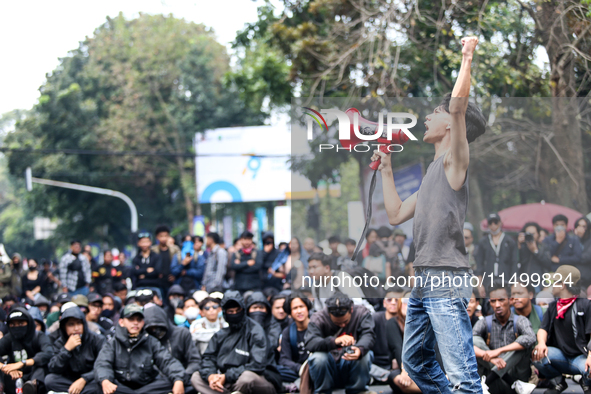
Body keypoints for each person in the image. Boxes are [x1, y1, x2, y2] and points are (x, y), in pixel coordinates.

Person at [372, 36, 486, 393]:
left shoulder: (455, 163)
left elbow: (456, 107)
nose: (426, 116)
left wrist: (466, 56)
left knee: (463, 375)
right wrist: (386, 167)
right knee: (417, 365)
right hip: (423, 280)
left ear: (452, 124)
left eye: (434, 112)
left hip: (445, 277)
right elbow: (394, 214)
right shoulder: (432, 177)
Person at [191, 290, 277, 394]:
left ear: (243, 310)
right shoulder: (220, 334)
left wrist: (227, 376)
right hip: (227, 382)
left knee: (247, 378)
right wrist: (211, 376)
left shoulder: (255, 331)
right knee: (196, 377)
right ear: (224, 313)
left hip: (258, 379)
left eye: (237, 310)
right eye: (230, 312)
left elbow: (257, 365)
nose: (235, 314)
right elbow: (208, 358)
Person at [94, 303, 186, 394]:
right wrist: (105, 381)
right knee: (100, 386)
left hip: (147, 387)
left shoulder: (151, 341)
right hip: (121, 387)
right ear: (121, 322)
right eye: (131, 319)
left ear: (143, 322)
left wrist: (178, 379)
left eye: (139, 319)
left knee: (173, 382)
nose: (135, 323)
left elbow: (167, 361)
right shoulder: (112, 343)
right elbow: (103, 363)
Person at [532, 265, 591, 394]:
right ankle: (558, 383)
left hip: (582, 357)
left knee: (590, 368)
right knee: (537, 354)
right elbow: (543, 329)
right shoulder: (554, 306)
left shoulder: (585, 305)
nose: (552, 285)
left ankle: (586, 383)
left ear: (563, 284)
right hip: (561, 356)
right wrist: (541, 343)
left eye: (554, 282)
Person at [305, 292, 376, 394]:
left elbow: (369, 335)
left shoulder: (361, 313)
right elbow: (310, 342)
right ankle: (323, 392)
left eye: (345, 322)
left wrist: (360, 348)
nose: (342, 325)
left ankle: (358, 391)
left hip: (351, 363)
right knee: (318, 358)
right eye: (337, 323)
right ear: (329, 313)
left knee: (365, 355)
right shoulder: (318, 318)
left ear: (351, 310)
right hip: (329, 365)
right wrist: (334, 341)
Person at [472, 284, 536, 394]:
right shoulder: (483, 322)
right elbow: (467, 344)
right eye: (493, 301)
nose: (497, 305)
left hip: (517, 378)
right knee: (474, 340)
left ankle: (490, 383)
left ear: (510, 300)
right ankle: (497, 383)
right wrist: (489, 357)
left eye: (501, 300)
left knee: (523, 343)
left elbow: (531, 337)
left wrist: (499, 351)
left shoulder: (520, 321)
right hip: (493, 384)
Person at [45, 304, 105, 394]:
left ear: (84, 324)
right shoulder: (60, 343)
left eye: (79, 323)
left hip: (90, 380)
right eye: (71, 324)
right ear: (64, 327)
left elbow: (103, 365)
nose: (76, 328)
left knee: (101, 384)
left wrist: (84, 379)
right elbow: (53, 368)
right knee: (50, 380)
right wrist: (66, 349)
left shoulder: (97, 340)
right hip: (70, 381)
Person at [144, 305, 201, 393]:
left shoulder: (182, 334)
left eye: (158, 327)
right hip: (159, 382)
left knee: (196, 381)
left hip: (184, 377)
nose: (155, 331)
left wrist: (181, 378)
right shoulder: (147, 339)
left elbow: (194, 361)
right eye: (151, 328)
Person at [0, 307, 53, 394]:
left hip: (34, 376)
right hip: (14, 376)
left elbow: (48, 353)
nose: (17, 327)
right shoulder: (9, 338)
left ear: (28, 323)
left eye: (21, 323)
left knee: (41, 367)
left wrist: (22, 363)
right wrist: (5, 368)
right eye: (13, 325)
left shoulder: (38, 336)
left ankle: (31, 388)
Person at [475, 213, 518, 297]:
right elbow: (479, 265)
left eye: (496, 222)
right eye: (490, 223)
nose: (493, 225)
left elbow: (514, 264)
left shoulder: (509, 241)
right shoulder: (483, 242)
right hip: (488, 280)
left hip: (506, 279)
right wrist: (479, 285)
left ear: (500, 223)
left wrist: (513, 284)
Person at [278, 292, 312, 385]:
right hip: (298, 370)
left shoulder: (318, 325)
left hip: (317, 367)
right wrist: (300, 368)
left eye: (301, 306)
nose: (299, 311)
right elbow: (284, 359)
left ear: (307, 308)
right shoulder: (288, 332)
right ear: (290, 313)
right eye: (295, 308)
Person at [246, 291, 282, 362]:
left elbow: (272, 344)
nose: (258, 310)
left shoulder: (274, 325)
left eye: (261, 308)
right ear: (248, 310)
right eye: (255, 307)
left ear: (267, 310)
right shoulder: (244, 325)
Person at [152, 225, 181, 296]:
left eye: (166, 236)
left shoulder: (175, 249)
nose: (163, 238)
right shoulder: (153, 250)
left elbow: (179, 264)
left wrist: (175, 276)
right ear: (157, 237)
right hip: (157, 281)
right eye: (161, 236)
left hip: (171, 280)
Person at [574, 216, 591, 286]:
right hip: (573, 278)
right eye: (579, 226)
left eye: (584, 226)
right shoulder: (573, 239)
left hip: (586, 279)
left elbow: (587, 257)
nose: (580, 229)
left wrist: (573, 258)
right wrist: (577, 238)